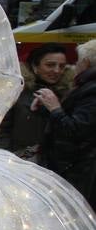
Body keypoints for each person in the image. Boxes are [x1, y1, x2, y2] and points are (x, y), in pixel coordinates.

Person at [39, 38, 96, 207]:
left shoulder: (91, 89)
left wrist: (55, 108)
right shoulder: (84, 86)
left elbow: (75, 129)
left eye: (77, 61)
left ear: (85, 63)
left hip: (78, 170)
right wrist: (47, 107)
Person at [0, 43, 72, 162]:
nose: (57, 71)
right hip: (17, 159)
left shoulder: (67, 94)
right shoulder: (17, 91)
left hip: (52, 163)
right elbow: (1, 129)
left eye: (62, 66)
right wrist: (6, 157)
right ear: (35, 66)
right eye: (50, 65)